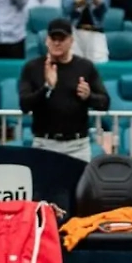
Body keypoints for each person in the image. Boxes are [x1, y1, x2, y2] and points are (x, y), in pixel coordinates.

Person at [17, 18, 111, 162]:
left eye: (61, 39)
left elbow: (105, 102)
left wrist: (88, 96)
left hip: (78, 147)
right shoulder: (32, 68)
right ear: (47, 40)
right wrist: (47, 87)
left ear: (71, 41)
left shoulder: (85, 67)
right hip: (44, 144)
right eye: (53, 38)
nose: (57, 43)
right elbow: (24, 104)